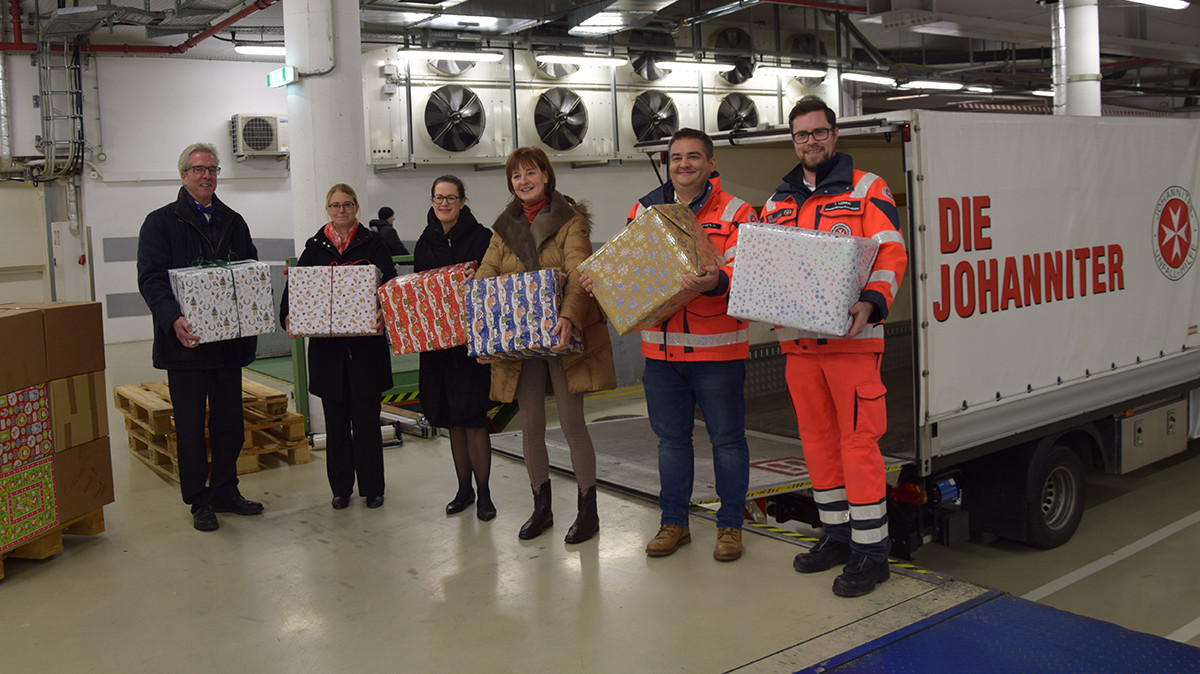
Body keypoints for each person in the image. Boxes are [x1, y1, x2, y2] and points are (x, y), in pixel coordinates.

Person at [760, 96, 908, 598]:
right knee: (817, 443)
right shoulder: (777, 202)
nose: (811, 141)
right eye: (802, 134)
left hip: (852, 344)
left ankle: (872, 552)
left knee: (858, 444)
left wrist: (872, 301)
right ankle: (837, 536)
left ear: (834, 134)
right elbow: (769, 266)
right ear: (793, 141)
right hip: (799, 348)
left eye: (819, 132)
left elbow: (891, 252)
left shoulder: (867, 188)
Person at [613, 128, 758, 562]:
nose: (684, 164)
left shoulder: (738, 212)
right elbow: (631, 267)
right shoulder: (644, 210)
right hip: (661, 355)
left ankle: (730, 527)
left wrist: (718, 281)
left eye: (694, 157)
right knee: (671, 443)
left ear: (711, 164)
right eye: (676, 157)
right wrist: (605, 281)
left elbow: (749, 275)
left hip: (718, 352)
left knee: (727, 442)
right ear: (668, 164)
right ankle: (673, 523)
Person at [476, 147, 616, 544]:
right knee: (531, 424)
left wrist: (568, 317)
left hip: (563, 334)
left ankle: (588, 510)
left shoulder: (571, 221)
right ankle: (542, 507)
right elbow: (487, 273)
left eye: (530, 173)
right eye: (516, 176)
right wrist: (482, 329)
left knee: (572, 424)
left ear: (546, 176)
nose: (524, 181)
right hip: (521, 339)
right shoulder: (503, 227)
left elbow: (579, 271)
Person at [136, 142, 265, 532]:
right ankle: (199, 501)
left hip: (227, 345)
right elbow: (151, 278)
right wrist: (172, 318)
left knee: (229, 424)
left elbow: (248, 271)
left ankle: (226, 490)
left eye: (212, 169)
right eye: (198, 169)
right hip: (186, 346)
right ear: (183, 175)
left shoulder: (233, 221)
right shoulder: (160, 223)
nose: (206, 176)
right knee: (191, 428)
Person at [281, 184, 398, 510]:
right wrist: (289, 316)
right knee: (335, 426)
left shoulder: (374, 244)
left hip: (366, 353)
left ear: (356, 207)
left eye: (347, 204)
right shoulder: (314, 248)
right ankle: (341, 489)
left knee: (367, 424)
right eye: (335, 205)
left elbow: (390, 285)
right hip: (328, 355)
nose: (341, 210)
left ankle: (373, 489)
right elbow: (294, 291)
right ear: (328, 209)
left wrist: (384, 311)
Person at [413, 175, 496, 521]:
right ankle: (464, 490)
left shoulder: (482, 238)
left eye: (450, 198)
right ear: (432, 201)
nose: (444, 204)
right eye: (438, 198)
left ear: (462, 201)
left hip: (471, 345)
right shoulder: (424, 241)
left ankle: (485, 493)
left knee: (473, 419)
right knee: (452, 421)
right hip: (437, 348)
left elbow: (492, 287)